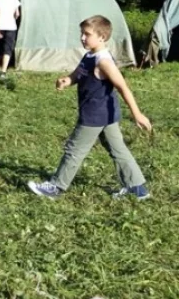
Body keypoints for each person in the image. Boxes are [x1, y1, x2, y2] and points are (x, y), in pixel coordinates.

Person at [28, 15, 153, 201]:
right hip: (105, 115)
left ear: (102, 37)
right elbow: (77, 74)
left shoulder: (103, 61)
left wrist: (137, 114)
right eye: (82, 33)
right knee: (118, 149)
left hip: (95, 115)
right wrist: (66, 81)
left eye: (87, 34)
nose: (82, 38)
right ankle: (138, 189)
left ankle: (56, 187)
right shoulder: (89, 55)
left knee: (74, 150)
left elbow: (122, 86)